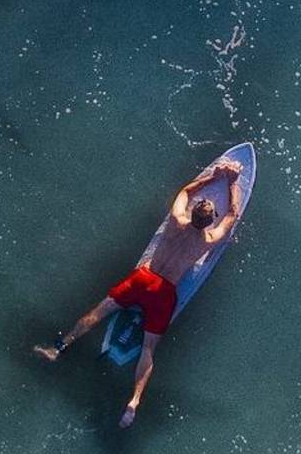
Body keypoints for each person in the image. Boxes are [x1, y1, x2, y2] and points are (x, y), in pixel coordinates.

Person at [33, 159, 243, 428]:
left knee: (101, 310)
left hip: (142, 279)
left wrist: (212, 178)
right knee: (148, 347)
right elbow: (233, 214)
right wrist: (233, 182)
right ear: (209, 221)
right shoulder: (209, 240)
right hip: (165, 291)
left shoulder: (176, 220)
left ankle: (59, 347)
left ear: (192, 213)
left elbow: (186, 192)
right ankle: (133, 402)